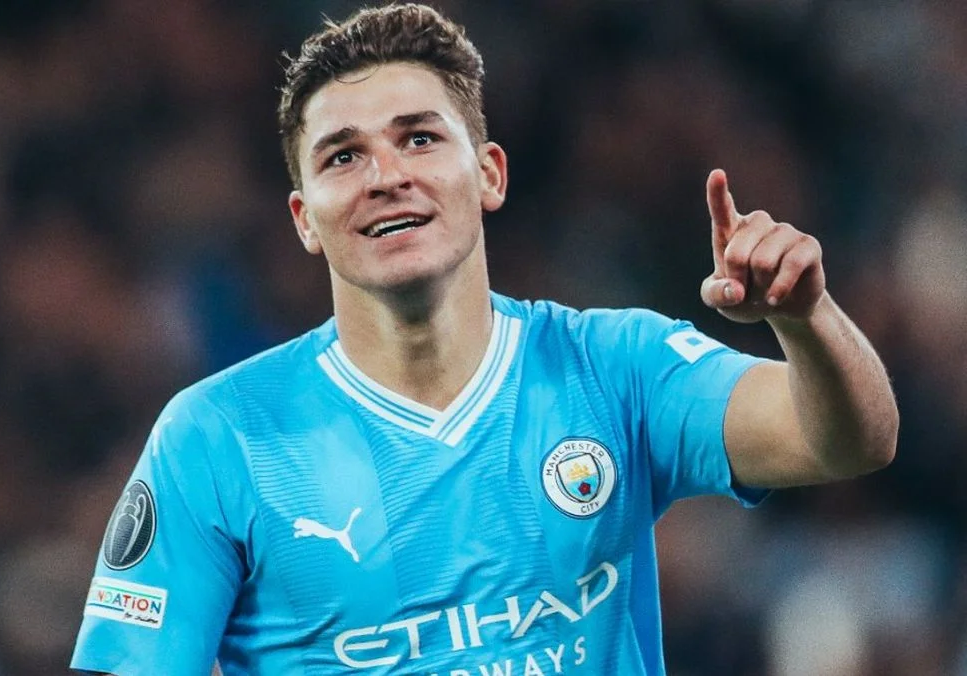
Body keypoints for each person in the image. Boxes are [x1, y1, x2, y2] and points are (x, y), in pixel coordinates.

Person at [69, 4, 898, 674]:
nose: (387, 176)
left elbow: (853, 440)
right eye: (343, 157)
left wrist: (805, 320)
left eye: (420, 138)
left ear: (490, 173)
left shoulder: (615, 369)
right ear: (304, 220)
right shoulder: (217, 437)